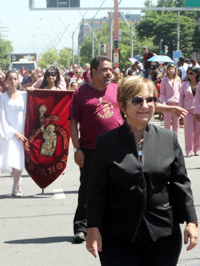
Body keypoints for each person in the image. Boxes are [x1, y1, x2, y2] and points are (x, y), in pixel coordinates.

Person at [69, 55, 187, 244]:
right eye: (104, 69)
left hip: (121, 147)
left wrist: (169, 109)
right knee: (90, 188)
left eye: (110, 69)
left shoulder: (117, 90)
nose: (108, 73)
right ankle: (83, 226)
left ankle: (129, 222)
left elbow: (143, 103)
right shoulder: (81, 93)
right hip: (92, 149)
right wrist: (77, 148)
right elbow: (73, 121)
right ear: (93, 72)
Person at [85, 75, 198, 265]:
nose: (145, 105)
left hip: (163, 233)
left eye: (150, 100)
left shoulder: (168, 139)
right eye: (137, 101)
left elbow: (181, 184)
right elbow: (96, 190)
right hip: (117, 235)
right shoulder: (106, 143)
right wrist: (92, 228)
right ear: (123, 105)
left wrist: (191, 222)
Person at [0, 71, 27, 197]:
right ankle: (17, 181)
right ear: (6, 81)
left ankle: (15, 188)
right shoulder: (2, 97)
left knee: (19, 160)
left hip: (23, 130)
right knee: (10, 161)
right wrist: (14, 133)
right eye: (10, 79)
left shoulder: (24, 95)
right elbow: (1, 117)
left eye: (15, 79)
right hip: (9, 132)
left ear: (18, 80)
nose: (13, 81)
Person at [179, 66, 200, 157]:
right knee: (188, 130)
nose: (189, 75)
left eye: (191, 73)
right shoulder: (184, 84)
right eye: (188, 73)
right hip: (187, 109)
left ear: (196, 74)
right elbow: (181, 98)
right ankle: (189, 149)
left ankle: (197, 148)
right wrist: (180, 109)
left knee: (198, 130)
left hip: (198, 109)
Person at [160, 64, 182, 135]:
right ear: (167, 70)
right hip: (167, 104)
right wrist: (163, 103)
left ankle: (175, 140)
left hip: (176, 103)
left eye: (172, 69)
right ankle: (167, 140)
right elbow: (162, 92)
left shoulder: (178, 79)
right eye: (169, 69)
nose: (171, 71)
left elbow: (180, 91)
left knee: (176, 124)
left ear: (175, 70)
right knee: (167, 124)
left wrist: (181, 103)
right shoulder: (164, 79)